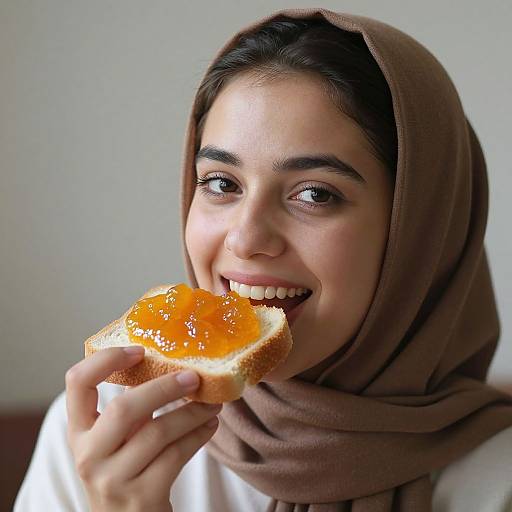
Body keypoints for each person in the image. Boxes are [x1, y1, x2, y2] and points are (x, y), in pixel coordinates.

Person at [15, 7, 512, 511]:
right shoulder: (103, 438)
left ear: (422, 231)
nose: (247, 238)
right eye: (221, 183)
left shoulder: (496, 481)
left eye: (315, 194)